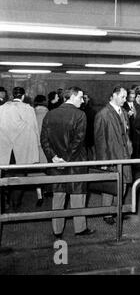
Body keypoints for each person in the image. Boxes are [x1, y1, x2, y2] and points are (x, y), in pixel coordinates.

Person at [41, 86, 94, 238]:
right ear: (72, 97)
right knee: (78, 196)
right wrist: (67, 160)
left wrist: (53, 157)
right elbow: (78, 140)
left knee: (58, 195)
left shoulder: (50, 114)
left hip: (56, 163)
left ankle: (57, 231)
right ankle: (80, 228)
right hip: (75, 163)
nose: (83, 100)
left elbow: (44, 140)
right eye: (81, 97)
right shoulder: (80, 115)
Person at [94, 86, 133, 225]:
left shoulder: (123, 112)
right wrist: (103, 161)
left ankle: (117, 210)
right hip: (111, 155)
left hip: (124, 154)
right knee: (110, 186)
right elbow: (99, 140)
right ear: (114, 96)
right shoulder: (103, 114)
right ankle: (107, 213)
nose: (125, 99)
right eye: (123, 97)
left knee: (123, 184)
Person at [0, 87, 39, 210]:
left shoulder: (2, 108)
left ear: (12, 95)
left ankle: (5, 201)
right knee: (20, 175)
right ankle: (15, 202)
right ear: (23, 96)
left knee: (5, 176)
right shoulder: (29, 109)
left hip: (5, 149)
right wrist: (37, 146)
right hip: (22, 149)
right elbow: (34, 130)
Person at [33, 95, 49, 206]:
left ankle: (39, 195)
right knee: (48, 169)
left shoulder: (31, 113)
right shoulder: (49, 113)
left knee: (36, 172)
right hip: (46, 146)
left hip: (34, 146)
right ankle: (48, 188)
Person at [80, 92, 96, 160]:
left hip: (91, 133)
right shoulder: (80, 110)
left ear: (88, 99)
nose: (84, 100)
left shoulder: (92, 111)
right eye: (83, 98)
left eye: (85, 98)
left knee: (93, 151)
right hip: (83, 133)